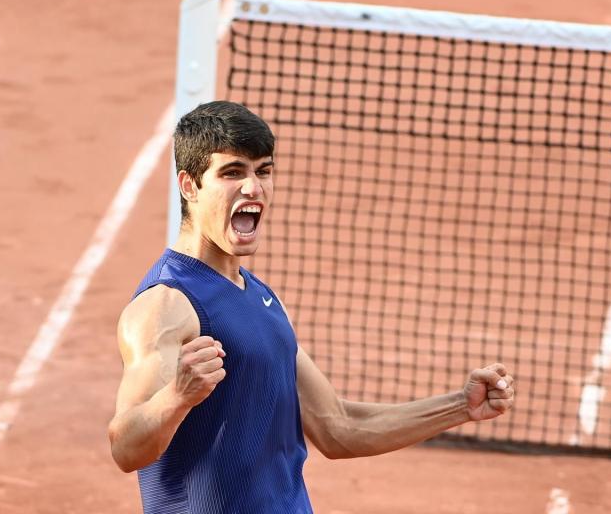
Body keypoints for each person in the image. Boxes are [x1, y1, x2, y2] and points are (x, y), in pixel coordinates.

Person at [108, 101, 516, 513]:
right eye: (233, 173)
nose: (254, 188)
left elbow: (339, 428)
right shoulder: (166, 304)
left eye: (263, 171)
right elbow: (126, 447)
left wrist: (460, 406)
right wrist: (178, 395)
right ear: (189, 186)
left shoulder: (263, 299)